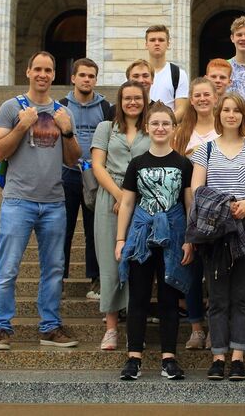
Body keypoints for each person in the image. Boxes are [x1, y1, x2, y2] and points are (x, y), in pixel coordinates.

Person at [0, 51, 81, 350]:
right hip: (18, 200)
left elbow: (72, 159)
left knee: (54, 268)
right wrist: (21, 125)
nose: (42, 74)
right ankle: (1, 327)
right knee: (8, 268)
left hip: (54, 202)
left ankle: (50, 326)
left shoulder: (62, 112)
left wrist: (67, 131)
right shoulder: (11, 107)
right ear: (28, 72)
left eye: (48, 70)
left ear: (55, 75)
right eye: (37, 69)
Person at [190, 92, 245, 381]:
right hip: (216, 228)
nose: (231, 115)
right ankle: (218, 355)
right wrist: (223, 204)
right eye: (226, 110)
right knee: (219, 293)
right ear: (218, 114)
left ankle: (237, 356)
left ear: (243, 115)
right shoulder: (205, 150)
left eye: (236, 110)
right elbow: (197, 188)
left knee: (242, 293)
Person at [115, 102, 195, 381]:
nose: (160, 128)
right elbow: (126, 203)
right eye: (155, 124)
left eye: (166, 124)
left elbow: (188, 203)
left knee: (169, 297)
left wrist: (189, 240)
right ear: (146, 128)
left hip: (172, 235)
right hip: (141, 235)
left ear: (174, 129)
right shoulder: (137, 163)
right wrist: (120, 238)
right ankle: (133, 358)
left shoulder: (183, 163)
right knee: (137, 296)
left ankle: (168, 358)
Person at [90, 81, 151, 351]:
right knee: (110, 263)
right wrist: (119, 194)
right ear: (120, 100)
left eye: (138, 98)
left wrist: (131, 196)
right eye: (127, 98)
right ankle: (112, 328)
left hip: (144, 199)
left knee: (139, 264)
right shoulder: (106, 128)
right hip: (110, 197)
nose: (132, 103)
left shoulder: (150, 129)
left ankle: (135, 329)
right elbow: (97, 165)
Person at [171, 77, 220, 350]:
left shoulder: (224, 127)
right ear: (191, 99)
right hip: (187, 206)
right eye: (197, 95)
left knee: (216, 270)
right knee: (191, 267)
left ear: (215, 97)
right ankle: (196, 328)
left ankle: (214, 326)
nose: (202, 99)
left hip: (217, 208)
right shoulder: (182, 131)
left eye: (206, 95)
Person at [59, 58, 109, 301]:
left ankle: (96, 279)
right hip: (67, 174)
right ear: (73, 78)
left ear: (96, 80)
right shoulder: (60, 106)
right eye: (83, 75)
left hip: (95, 176)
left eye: (91, 76)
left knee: (95, 229)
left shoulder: (106, 107)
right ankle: (59, 279)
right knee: (63, 229)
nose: (87, 79)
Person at [144, 25, 189, 121]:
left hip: (168, 131)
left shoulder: (179, 74)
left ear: (168, 44)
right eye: (152, 40)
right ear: (146, 44)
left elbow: (181, 109)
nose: (157, 43)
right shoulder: (135, 73)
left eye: (161, 40)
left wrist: (163, 125)